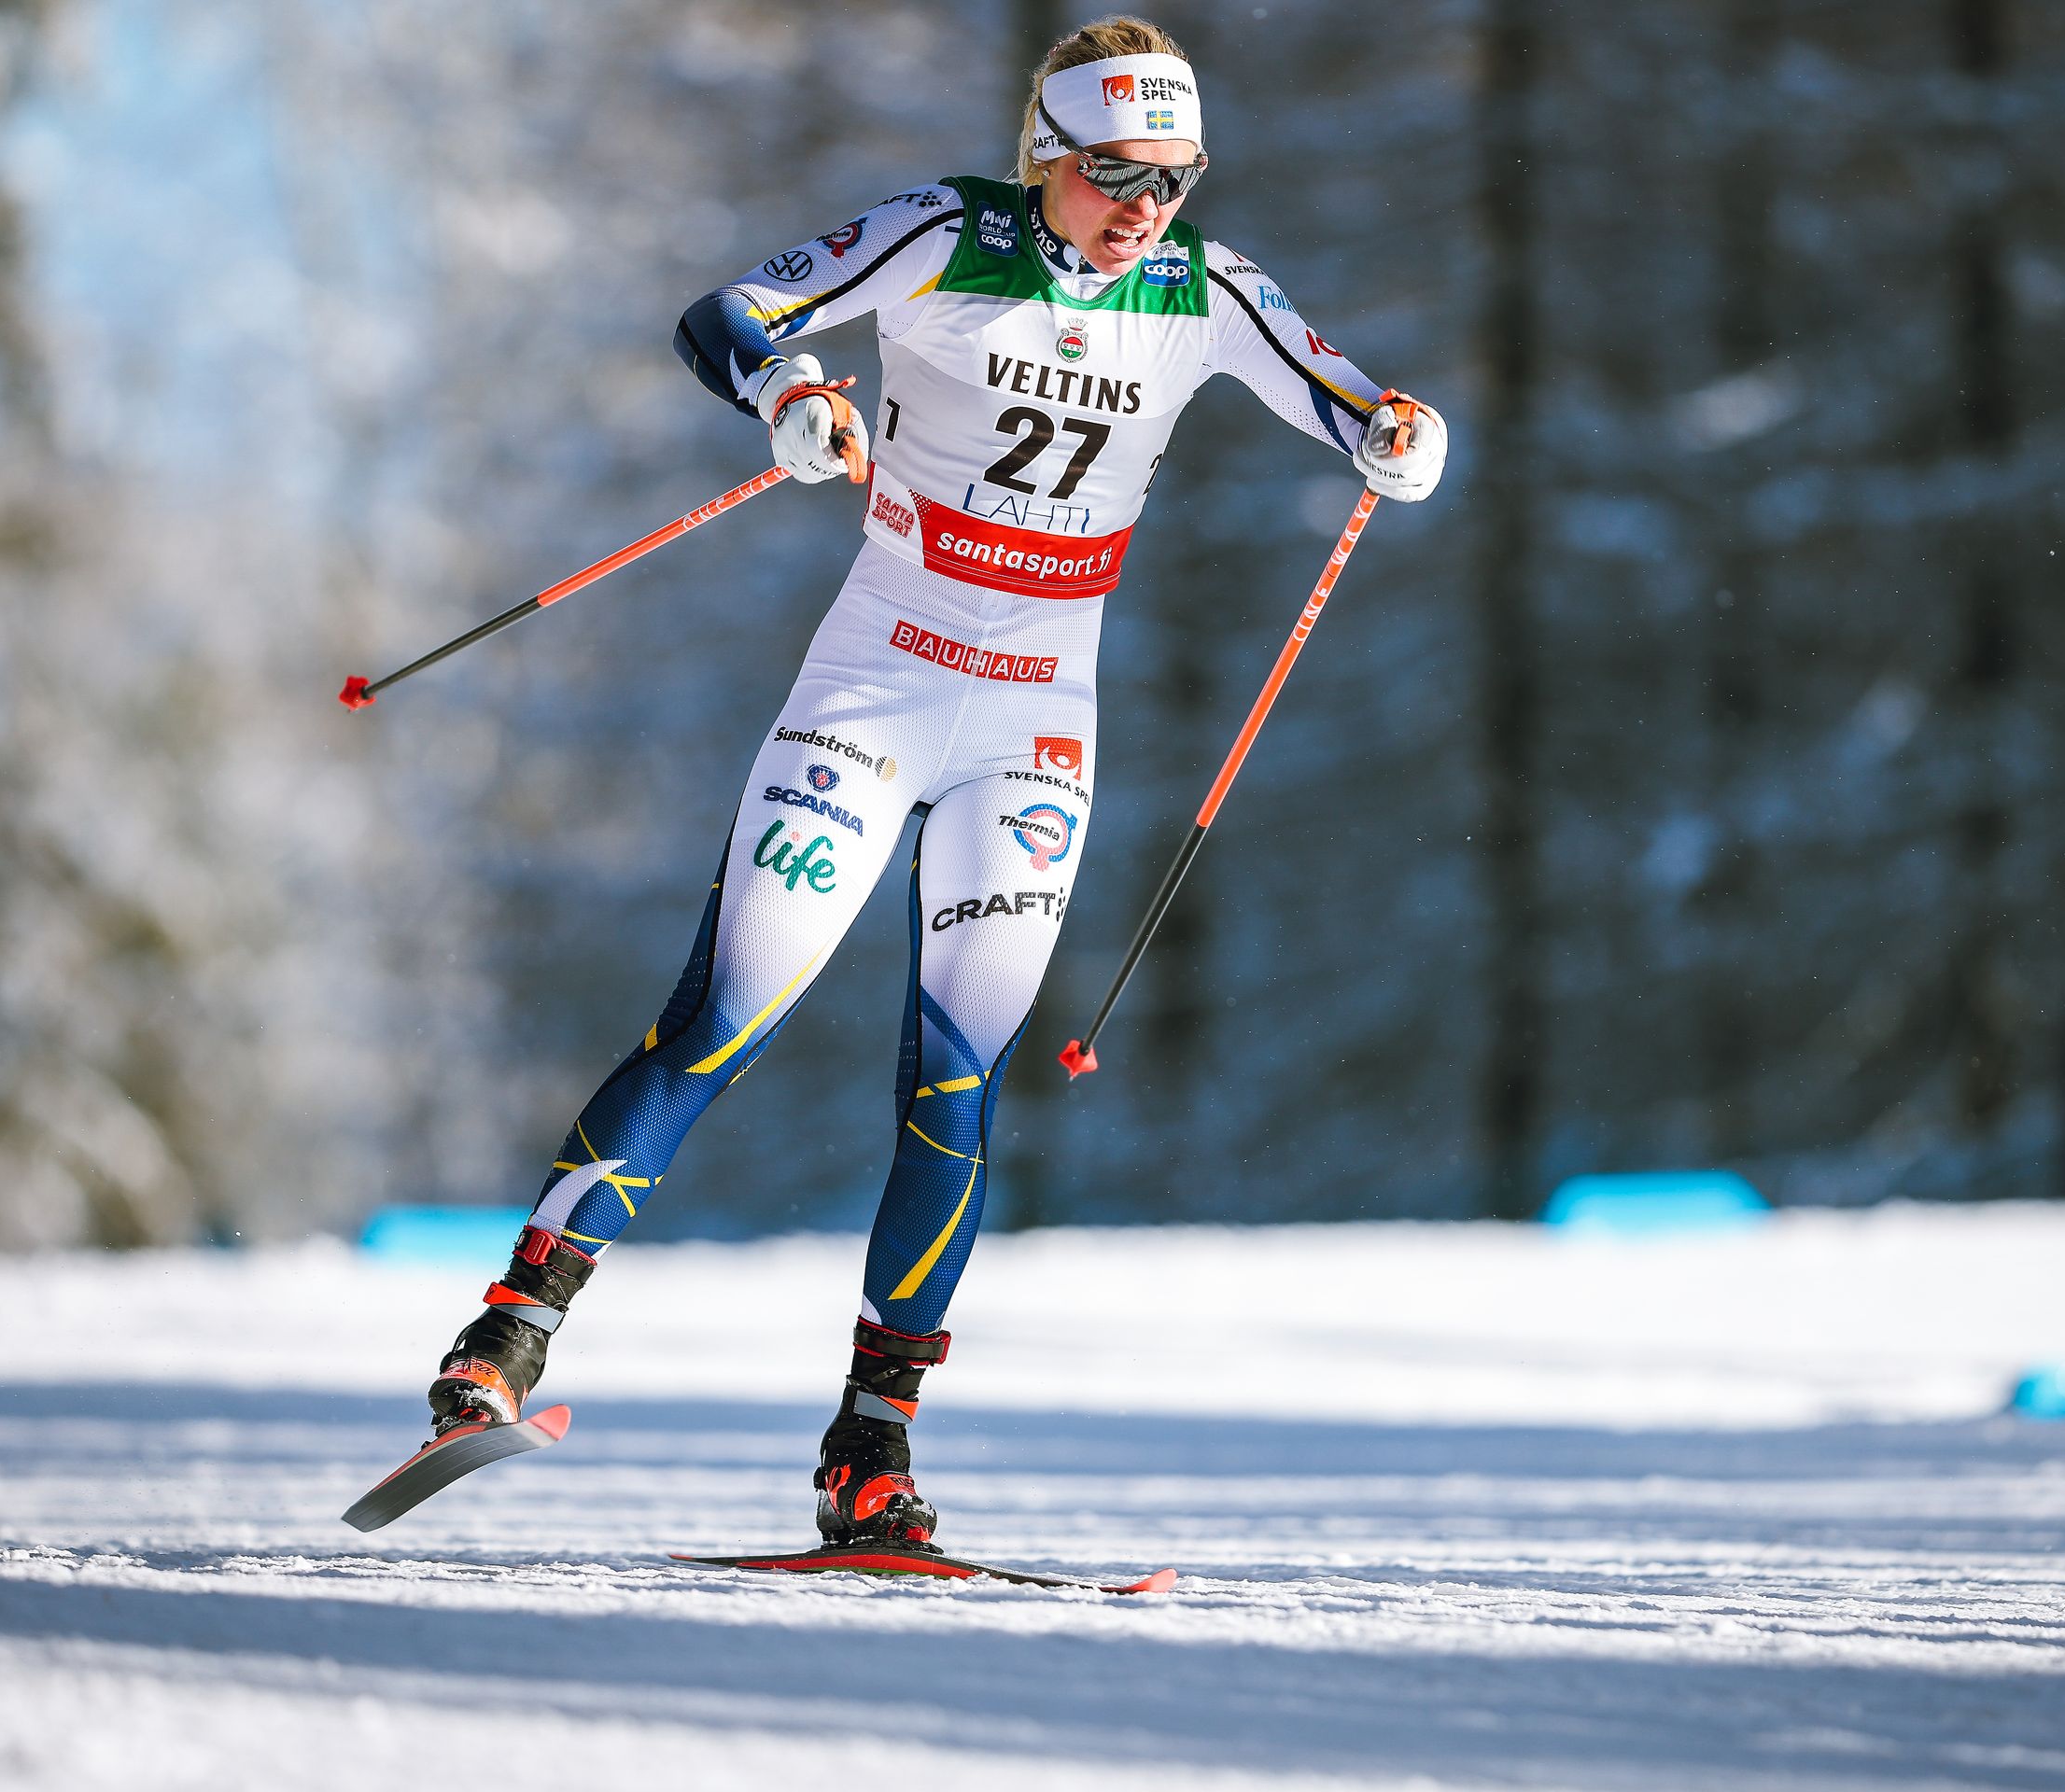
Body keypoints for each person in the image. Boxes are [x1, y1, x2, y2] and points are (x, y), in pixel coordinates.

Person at [416, 15, 1446, 1549]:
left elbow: (1359, 401)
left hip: (1036, 725)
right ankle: (507, 1335)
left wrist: (1397, 436)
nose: (1145, 208)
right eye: (1114, 175)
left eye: (1174, 177)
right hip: (875, 689)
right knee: (726, 1017)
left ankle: (873, 1449)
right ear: (1049, 156)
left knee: (955, 1083)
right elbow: (728, 310)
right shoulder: (945, 233)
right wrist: (787, 393)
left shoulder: (1204, 286)